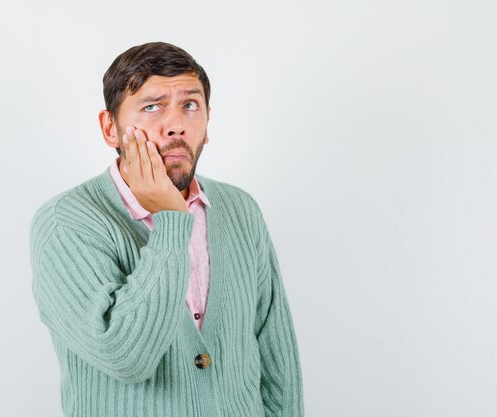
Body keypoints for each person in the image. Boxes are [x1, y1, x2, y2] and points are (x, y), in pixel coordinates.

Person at [29, 41, 304, 417]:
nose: (176, 125)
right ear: (111, 128)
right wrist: (172, 222)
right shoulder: (65, 222)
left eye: (190, 105)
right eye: (151, 106)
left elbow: (277, 359)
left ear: (207, 123)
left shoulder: (240, 210)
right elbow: (125, 356)